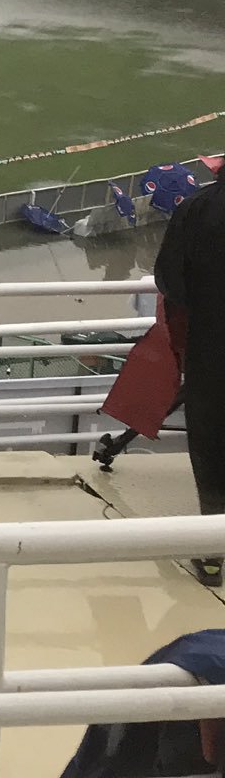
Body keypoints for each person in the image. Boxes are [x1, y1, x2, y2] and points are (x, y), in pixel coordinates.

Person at [153, 156, 225, 582]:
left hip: (212, 350)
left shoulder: (199, 207)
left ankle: (213, 553)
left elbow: (170, 279)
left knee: (212, 443)